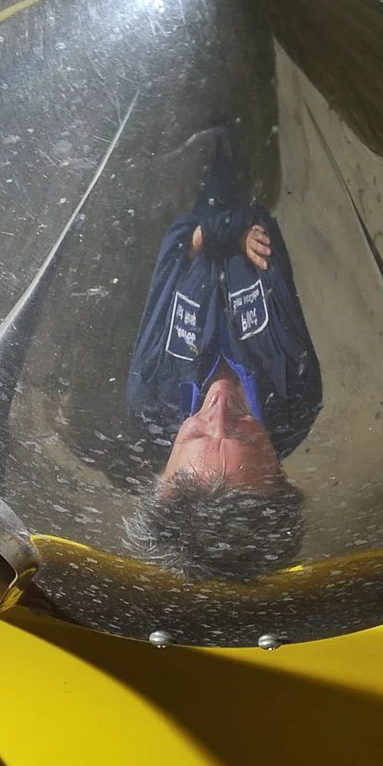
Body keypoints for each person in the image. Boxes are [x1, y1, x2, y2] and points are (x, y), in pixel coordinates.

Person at [125, 167, 321, 580]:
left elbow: (170, 254)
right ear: (279, 471)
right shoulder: (298, 393)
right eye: (243, 432)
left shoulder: (149, 394)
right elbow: (270, 246)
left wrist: (212, 233)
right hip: (250, 187)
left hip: (192, 194)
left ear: (163, 475)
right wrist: (229, 231)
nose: (217, 407)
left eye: (194, 434)